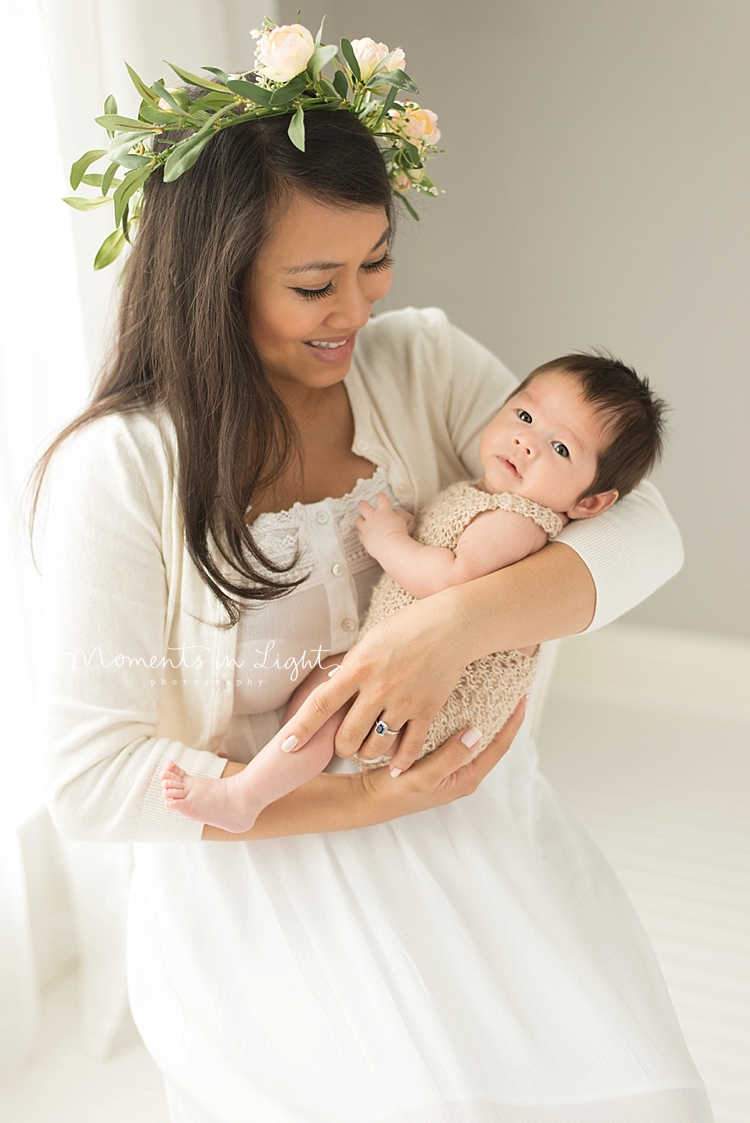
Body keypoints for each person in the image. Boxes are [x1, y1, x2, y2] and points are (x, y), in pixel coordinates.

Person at [33, 25, 713, 1123]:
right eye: (315, 283)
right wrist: (362, 800)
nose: (359, 309)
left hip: (469, 827)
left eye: (376, 262)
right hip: (268, 866)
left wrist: (444, 630)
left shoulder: (421, 361)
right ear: (216, 278)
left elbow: (644, 529)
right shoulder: (121, 469)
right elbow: (87, 778)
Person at [160, 353, 668, 835]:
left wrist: (389, 541)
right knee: (323, 692)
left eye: (561, 449)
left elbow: (449, 580)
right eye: (524, 415)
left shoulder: (519, 521)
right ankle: (282, 773)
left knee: (331, 697)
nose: (526, 442)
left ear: (592, 501)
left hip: (439, 698)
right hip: (413, 672)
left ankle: (245, 798)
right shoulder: (492, 499)